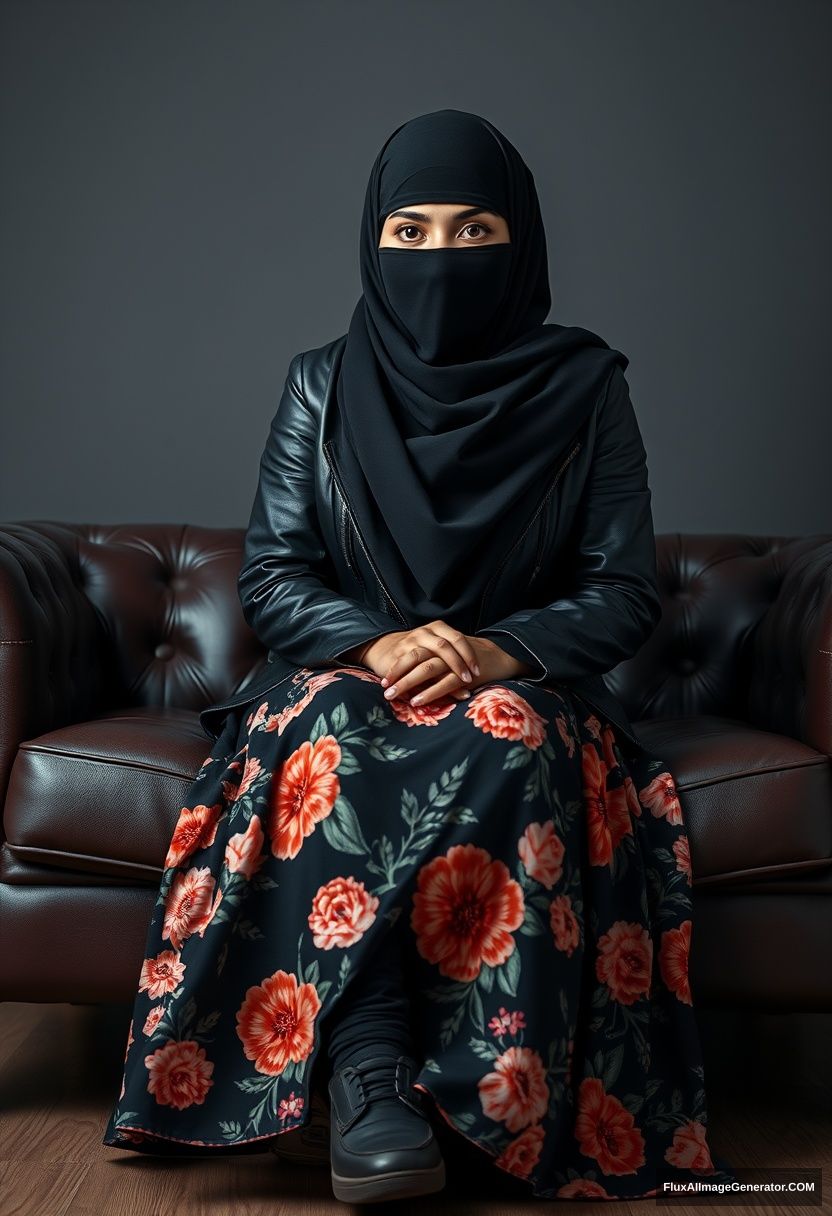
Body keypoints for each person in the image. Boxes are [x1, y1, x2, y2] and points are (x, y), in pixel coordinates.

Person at [102, 108, 734, 1203]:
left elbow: (621, 588)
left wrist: (494, 651)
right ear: (372, 238)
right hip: (347, 675)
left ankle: (484, 1102)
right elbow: (275, 574)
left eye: (472, 227)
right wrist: (383, 641)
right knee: (335, 732)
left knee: (502, 736)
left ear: (520, 239)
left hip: (523, 686)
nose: (439, 256)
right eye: (412, 229)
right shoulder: (320, 382)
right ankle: (372, 1074)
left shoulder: (587, 391)